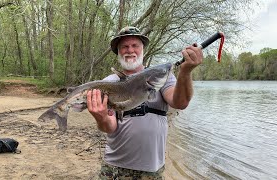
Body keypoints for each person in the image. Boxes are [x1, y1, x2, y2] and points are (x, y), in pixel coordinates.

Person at [86, 26, 203, 179]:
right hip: (114, 169)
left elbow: (180, 102)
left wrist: (185, 72)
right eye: (124, 47)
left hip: (152, 170)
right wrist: (100, 118)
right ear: (118, 52)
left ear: (143, 49)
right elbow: (110, 127)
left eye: (135, 45)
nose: (130, 50)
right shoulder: (108, 83)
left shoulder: (159, 76)